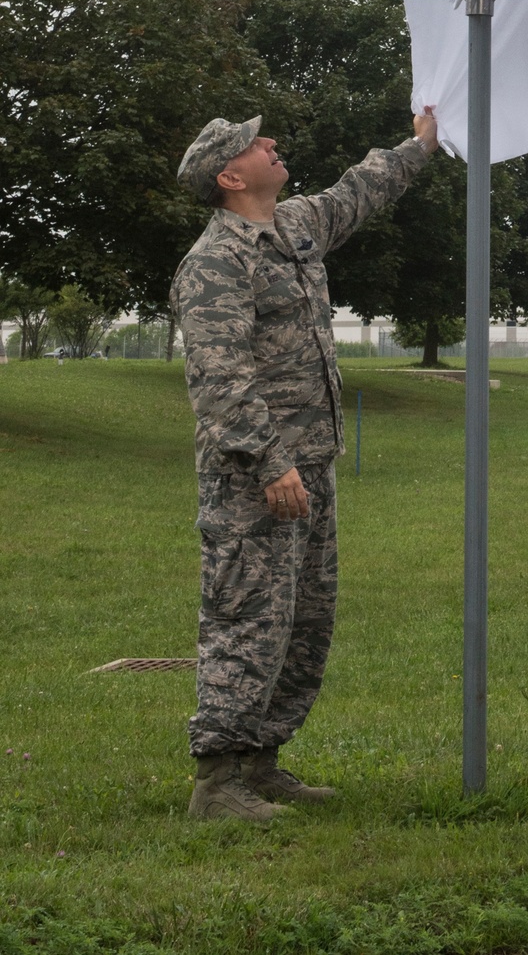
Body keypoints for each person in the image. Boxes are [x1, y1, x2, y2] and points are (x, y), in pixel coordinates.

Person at [171, 110, 438, 821]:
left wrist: (422, 144)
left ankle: (261, 762)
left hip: (310, 467)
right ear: (231, 177)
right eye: (253, 144)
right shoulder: (214, 263)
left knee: (304, 622)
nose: (270, 144)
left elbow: (358, 192)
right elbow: (220, 378)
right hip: (254, 477)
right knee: (248, 617)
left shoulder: (291, 227)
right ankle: (218, 781)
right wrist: (269, 462)